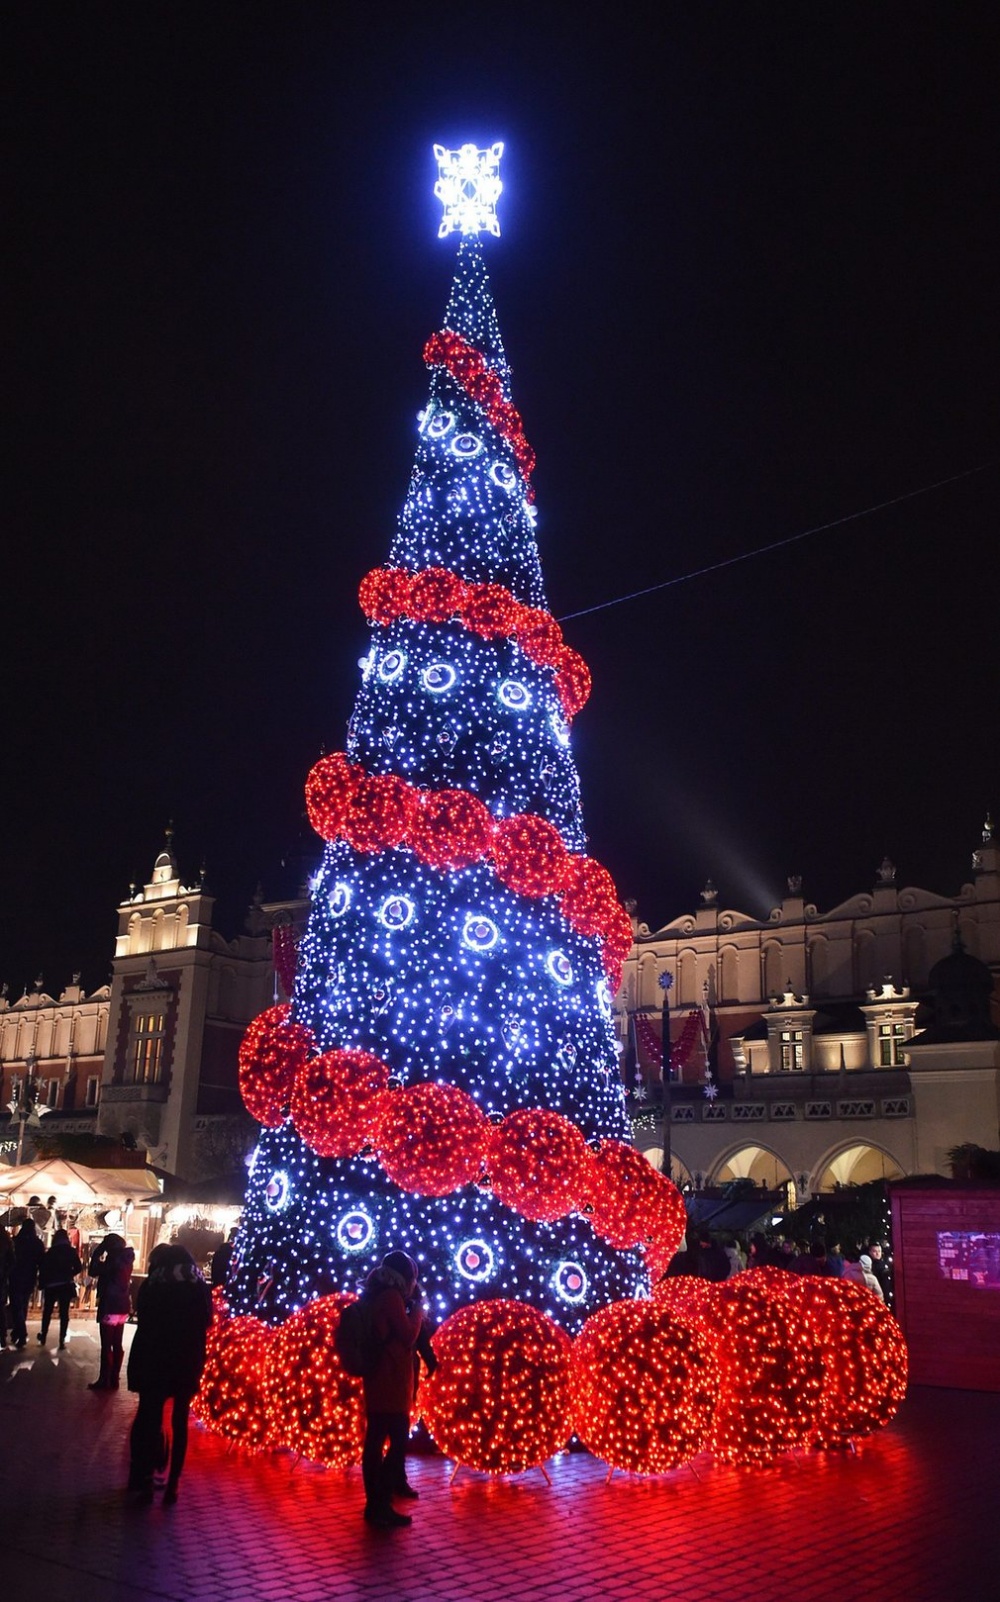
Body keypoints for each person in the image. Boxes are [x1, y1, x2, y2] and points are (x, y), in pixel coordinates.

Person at [127, 1244, 213, 1505]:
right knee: (179, 1421)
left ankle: (144, 1479)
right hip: (186, 1360)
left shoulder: (154, 1284)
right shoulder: (198, 1286)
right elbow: (207, 1321)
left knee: (148, 1417)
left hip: (154, 1358)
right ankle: (173, 1483)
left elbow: (142, 1317)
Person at [360, 1250, 428, 1530]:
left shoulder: (377, 1293)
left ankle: (377, 1503)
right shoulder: (391, 1297)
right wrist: (419, 1313)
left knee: (377, 1438)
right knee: (396, 1440)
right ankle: (379, 1502)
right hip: (389, 1379)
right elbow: (407, 1335)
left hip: (381, 1378)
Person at [87, 1233, 134, 1390]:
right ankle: (114, 1378)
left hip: (110, 1304)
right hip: (122, 1305)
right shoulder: (126, 1259)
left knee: (106, 1344)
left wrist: (97, 1252)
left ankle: (104, 1379)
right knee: (117, 1342)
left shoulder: (113, 1259)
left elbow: (93, 1270)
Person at [38, 1228, 83, 1349]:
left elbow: (43, 1269)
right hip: (65, 1285)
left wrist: (42, 1283)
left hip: (51, 1285)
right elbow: (78, 1267)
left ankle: (43, 1336)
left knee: (47, 1312)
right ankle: (62, 1339)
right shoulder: (71, 1251)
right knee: (64, 1313)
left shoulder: (50, 1252)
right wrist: (69, 1274)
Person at [9, 1218, 45, 1348]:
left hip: (15, 1276)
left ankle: (21, 1333)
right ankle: (18, 1332)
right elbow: (41, 1262)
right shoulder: (37, 1243)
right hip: (30, 1277)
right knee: (23, 1305)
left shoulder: (16, 1241)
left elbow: (10, 1259)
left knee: (16, 1305)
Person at [0, 1225, 13, 1347]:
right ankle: (2, 1336)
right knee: (1, 1308)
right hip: (2, 1279)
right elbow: (12, 1261)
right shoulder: (7, 1243)